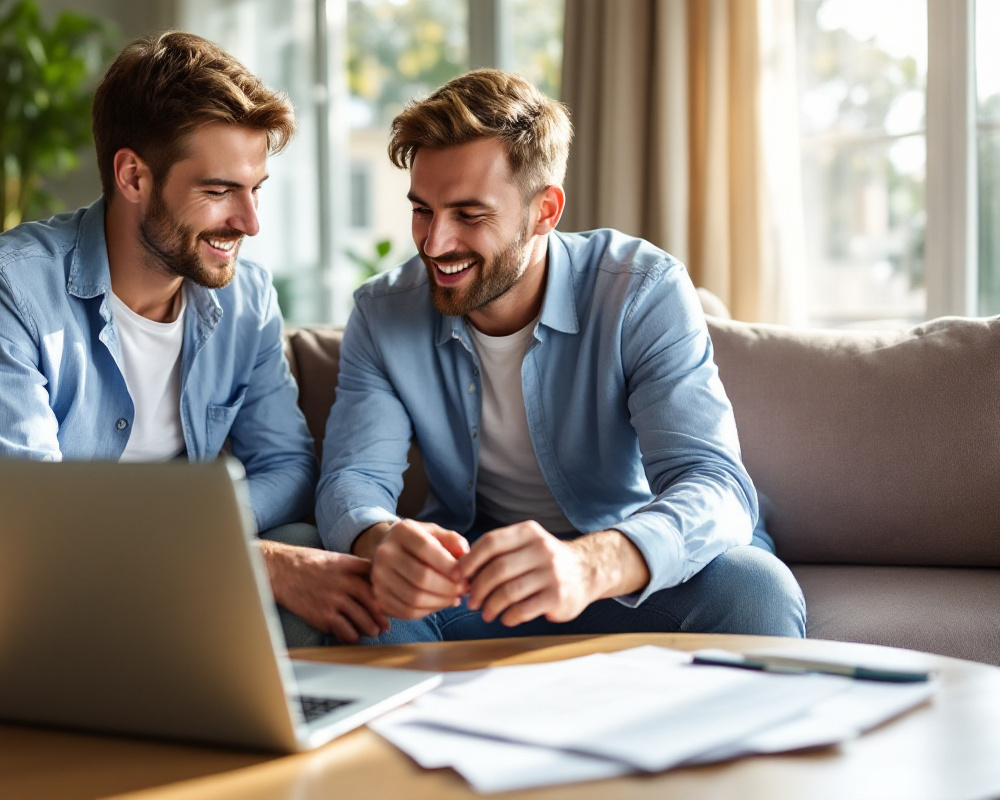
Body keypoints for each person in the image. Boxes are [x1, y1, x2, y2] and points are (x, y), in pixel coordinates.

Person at [0, 32, 387, 661]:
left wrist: (206, 546)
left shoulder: (246, 297)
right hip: (30, 593)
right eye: (220, 191)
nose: (251, 223)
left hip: (174, 584)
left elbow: (289, 467)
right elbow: (32, 522)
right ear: (134, 175)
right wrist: (243, 559)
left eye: (257, 189)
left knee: (314, 549)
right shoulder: (4, 287)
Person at [315, 70, 804, 644]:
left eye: (469, 216)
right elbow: (353, 478)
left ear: (545, 211)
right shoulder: (382, 312)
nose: (434, 243)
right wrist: (379, 538)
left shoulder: (641, 290)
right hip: (476, 581)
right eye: (422, 209)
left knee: (756, 591)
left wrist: (589, 564)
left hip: (625, 569)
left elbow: (715, 483)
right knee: (370, 613)